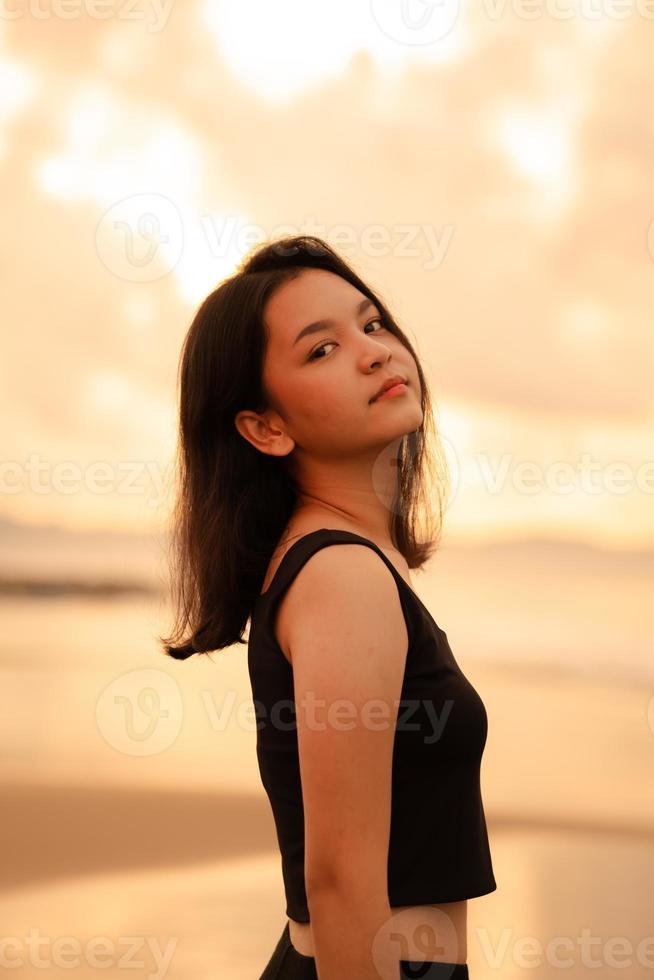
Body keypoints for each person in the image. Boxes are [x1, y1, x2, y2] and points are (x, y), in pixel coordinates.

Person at [161, 235, 496, 979]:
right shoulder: (342, 575)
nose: (374, 352)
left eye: (373, 325)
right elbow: (339, 884)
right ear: (265, 427)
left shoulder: (335, 559)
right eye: (321, 350)